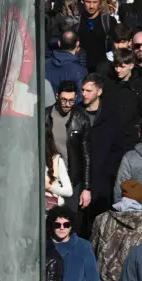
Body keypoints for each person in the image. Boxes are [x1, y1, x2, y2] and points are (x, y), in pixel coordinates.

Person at [81, 75, 134, 226]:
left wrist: (109, 172)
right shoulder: (77, 113)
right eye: (83, 90)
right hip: (80, 179)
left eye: (89, 90)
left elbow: (119, 147)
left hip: (103, 182)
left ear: (99, 92)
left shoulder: (112, 116)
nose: (84, 94)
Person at [45, 80, 92, 210]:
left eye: (71, 101)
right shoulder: (45, 116)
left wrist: (86, 188)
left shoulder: (81, 119)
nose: (67, 104)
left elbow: (86, 155)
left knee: (68, 221)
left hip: (72, 179)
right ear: (57, 96)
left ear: (76, 98)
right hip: (49, 177)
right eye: (63, 100)